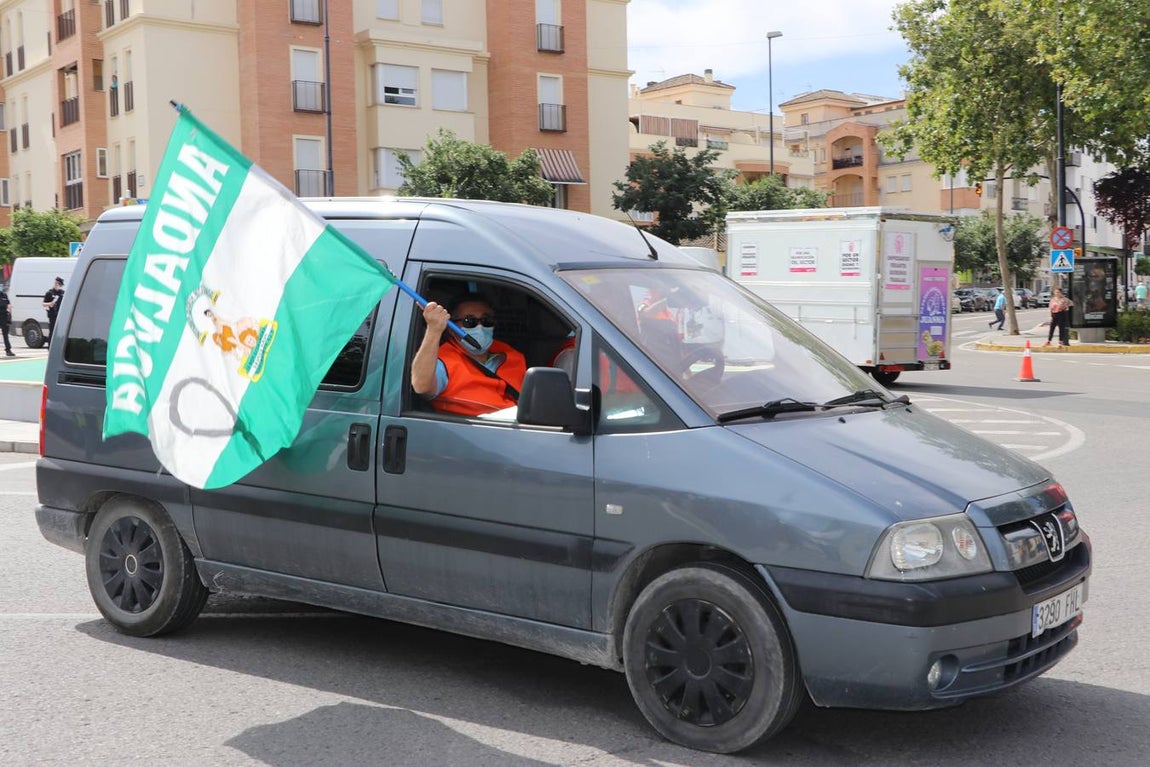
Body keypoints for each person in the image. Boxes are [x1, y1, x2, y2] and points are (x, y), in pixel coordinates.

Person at [411, 292, 527, 416]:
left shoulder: (512, 355)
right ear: (452, 329)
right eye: (469, 321)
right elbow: (421, 386)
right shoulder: (443, 361)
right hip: (470, 432)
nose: (480, 327)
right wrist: (434, 330)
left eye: (486, 320)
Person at [42, 277, 65, 345]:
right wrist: (50, 303)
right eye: (55, 283)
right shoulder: (49, 293)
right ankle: (50, 347)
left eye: (58, 284)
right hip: (52, 316)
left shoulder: (62, 293)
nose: (56, 285)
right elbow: (43, 304)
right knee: (52, 332)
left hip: (60, 316)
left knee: (60, 333)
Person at [0, 284, 14, 356]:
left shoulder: (4, 295)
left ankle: (8, 350)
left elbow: (8, 304)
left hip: (4, 317)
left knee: (5, 335)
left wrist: (10, 314)